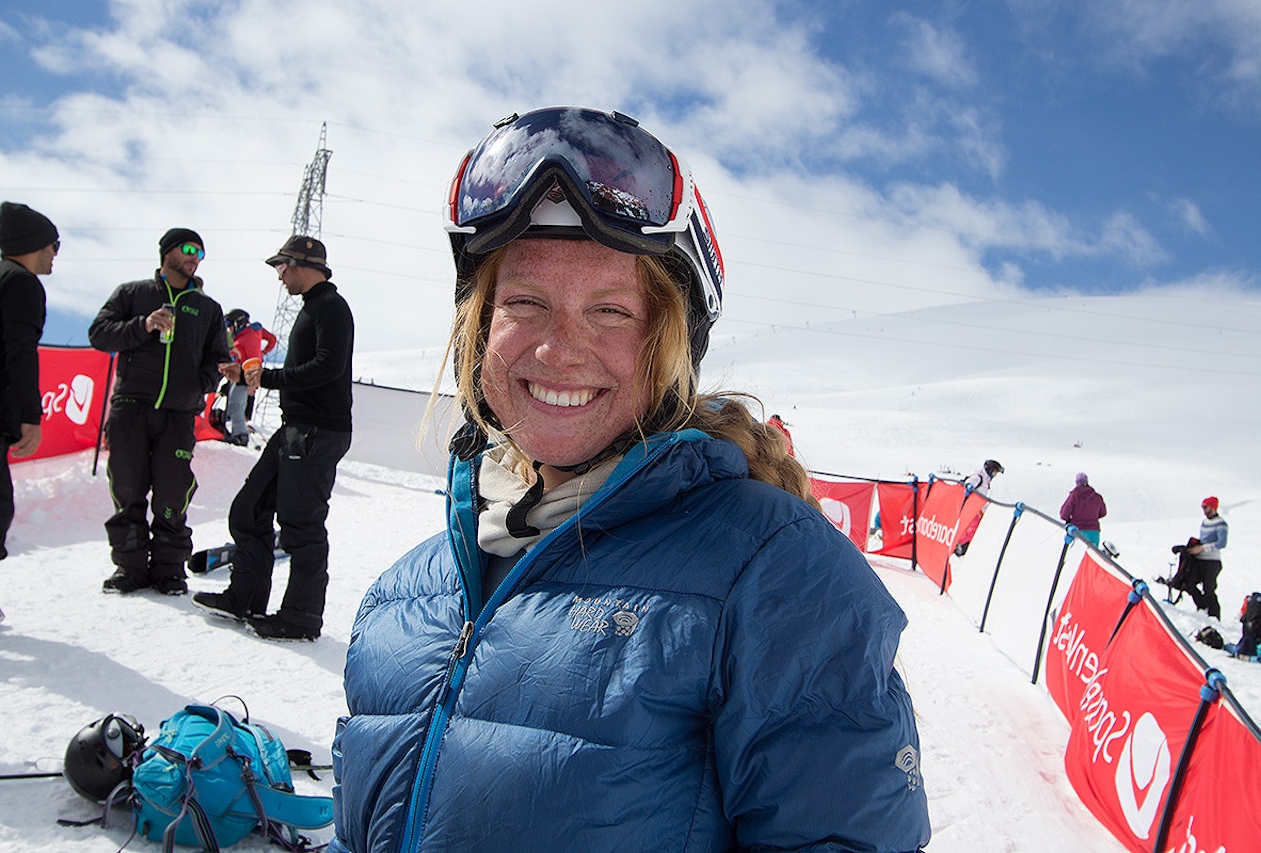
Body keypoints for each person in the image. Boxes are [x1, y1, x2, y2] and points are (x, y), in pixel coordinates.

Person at [328, 107, 930, 852]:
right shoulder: (405, 593)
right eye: (524, 302)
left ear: (668, 346)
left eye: (610, 311)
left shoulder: (774, 568)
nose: (557, 349)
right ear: (479, 327)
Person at [192, 235, 354, 641]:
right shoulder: (313, 309)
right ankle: (245, 597)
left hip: (317, 432)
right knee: (248, 510)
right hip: (295, 429)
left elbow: (327, 367)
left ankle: (300, 618)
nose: (280, 276)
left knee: (301, 525)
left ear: (302, 264)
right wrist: (251, 376)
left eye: (282, 267)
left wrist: (269, 378)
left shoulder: (331, 308)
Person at [88, 228, 229, 595]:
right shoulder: (133, 294)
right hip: (131, 406)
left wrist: (199, 384)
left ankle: (169, 571)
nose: (195, 255)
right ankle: (129, 569)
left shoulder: (208, 308)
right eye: (187, 248)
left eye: (200, 250)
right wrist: (144, 325)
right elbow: (100, 334)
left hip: (178, 414)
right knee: (128, 488)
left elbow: (219, 359)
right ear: (167, 253)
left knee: (172, 493)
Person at [0, 202, 59, 628]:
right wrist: (31, 414)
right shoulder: (22, 284)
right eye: (54, 244)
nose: (55, 254)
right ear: (34, 243)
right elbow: (20, 351)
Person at [1162, 496, 1228, 618]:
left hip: (1212, 560)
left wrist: (1202, 548)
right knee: (1189, 583)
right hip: (1199, 558)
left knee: (1209, 588)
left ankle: (1214, 616)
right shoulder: (1205, 522)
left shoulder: (1221, 523)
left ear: (1213, 507)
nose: (1203, 509)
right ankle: (1202, 607)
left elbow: (1221, 543)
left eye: (1205, 507)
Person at [222, 308, 277, 446]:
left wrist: (252, 383)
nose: (229, 330)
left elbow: (254, 360)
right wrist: (265, 350)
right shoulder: (250, 332)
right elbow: (271, 339)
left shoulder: (249, 336)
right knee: (234, 403)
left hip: (245, 376)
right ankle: (237, 432)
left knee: (236, 405)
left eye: (230, 326)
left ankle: (240, 435)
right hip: (239, 374)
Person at [953, 458, 1003, 556]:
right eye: (995, 473)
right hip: (969, 507)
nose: (995, 476)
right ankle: (958, 543)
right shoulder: (978, 477)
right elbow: (968, 485)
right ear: (990, 471)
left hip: (975, 508)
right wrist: (968, 489)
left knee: (973, 527)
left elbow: (980, 497)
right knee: (974, 527)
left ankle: (962, 544)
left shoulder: (985, 480)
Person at [1059, 472, 1107, 546]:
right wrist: (1092, 517)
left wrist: (1070, 520)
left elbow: (1063, 514)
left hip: (1078, 530)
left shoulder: (1074, 496)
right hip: (1094, 531)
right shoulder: (1097, 497)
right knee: (1092, 555)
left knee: (1077, 555)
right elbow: (1103, 512)